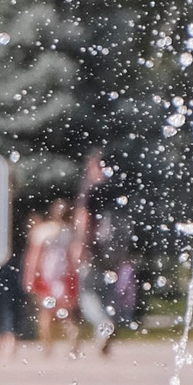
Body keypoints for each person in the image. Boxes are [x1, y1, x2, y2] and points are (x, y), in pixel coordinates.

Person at [77, 149, 135, 353]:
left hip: (96, 246)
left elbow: (86, 219)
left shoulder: (92, 189)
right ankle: (108, 323)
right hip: (116, 248)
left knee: (87, 292)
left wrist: (82, 246)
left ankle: (103, 325)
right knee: (107, 288)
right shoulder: (118, 188)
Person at [23, 198, 83, 354]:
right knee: (66, 311)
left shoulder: (43, 232)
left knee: (46, 311)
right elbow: (70, 256)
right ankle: (72, 335)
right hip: (62, 274)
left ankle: (47, 344)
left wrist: (30, 277)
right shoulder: (69, 232)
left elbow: (35, 256)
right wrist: (73, 275)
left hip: (46, 274)